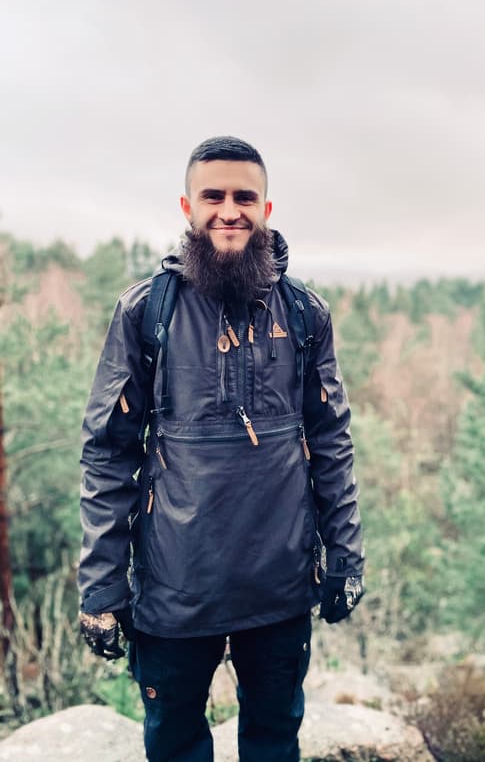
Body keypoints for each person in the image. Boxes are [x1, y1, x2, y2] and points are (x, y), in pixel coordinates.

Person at [77, 136, 365, 762]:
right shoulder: (146, 312)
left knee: (273, 743)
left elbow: (332, 443)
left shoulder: (305, 314)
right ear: (187, 207)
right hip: (174, 587)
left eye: (244, 198)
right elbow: (107, 454)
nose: (229, 211)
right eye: (213, 197)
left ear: (266, 208)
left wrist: (345, 556)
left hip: (280, 586)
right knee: (175, 744)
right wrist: (101, 586)